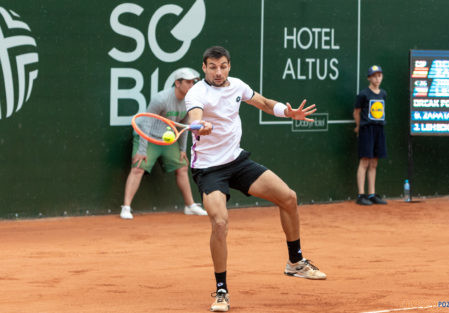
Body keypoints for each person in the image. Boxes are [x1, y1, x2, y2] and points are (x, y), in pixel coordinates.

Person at [185, 46, 326, 312]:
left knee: (288, 197)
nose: (218, 71)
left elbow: (262, 103)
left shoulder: (237, 86)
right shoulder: (196, 93)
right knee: (219, 223)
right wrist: (200, 124)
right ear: (204, 67)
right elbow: (195, 115)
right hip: (209, 169)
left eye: (223, 66)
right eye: (212, 67)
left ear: (229, 65)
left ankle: (295, 263)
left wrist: (288, 112)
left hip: (237, 161)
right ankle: (221, 291)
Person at [120, 68, 207, 219]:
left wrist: (181, 149)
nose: (192, 85)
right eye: (188, 82)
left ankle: (190, 205)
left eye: (193, 82)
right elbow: (147, 123)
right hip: (148, 136)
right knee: (138, 167)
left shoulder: (190, 102)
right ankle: (126, 207)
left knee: (182, 167)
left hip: (168, 139)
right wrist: (142, 149)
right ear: (177, 83)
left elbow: (185, 126)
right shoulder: (161, 99)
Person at [353, 65, 388, 205]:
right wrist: (358, 126)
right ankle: (361, 195)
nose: (377, 78)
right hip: (366, 129)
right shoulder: (363, 94)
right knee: (365, 161)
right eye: (374, 76)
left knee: (374, 162)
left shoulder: (383, 94)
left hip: (379, 129)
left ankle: (372, 194)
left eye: (379, 75)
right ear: (369, 78)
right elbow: (356, 112)